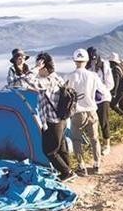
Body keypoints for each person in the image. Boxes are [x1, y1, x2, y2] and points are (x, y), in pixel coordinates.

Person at [65, 48, 109, 176]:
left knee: (76, 140)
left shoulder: (70, 76)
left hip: (77, 112)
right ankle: (97, 165)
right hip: (91, 111)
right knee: (94, 139)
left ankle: (81, 166)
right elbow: (104, 91)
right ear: (87, 60)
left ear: (74, 60)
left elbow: (63, 92)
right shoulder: (93, 76)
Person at [34, 52, 76, 182]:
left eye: (40, 69)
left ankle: (66, 172)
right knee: (61, 148)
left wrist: (35, 68)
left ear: (45, 69)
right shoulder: (58, 78)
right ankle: (68, 171)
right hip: (62, 120)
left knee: (50, 150)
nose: (38, 72)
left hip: (53, 122)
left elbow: (28, 81)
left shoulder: (48, 82)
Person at [86, 47, 114, 156]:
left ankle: (107, 144)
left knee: (104, 121)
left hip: (103, 98)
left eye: (94, 58)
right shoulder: (86, 67)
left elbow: (110, 84)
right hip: (91, 99)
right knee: (92, 122)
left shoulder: (104, 65)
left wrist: (99, 89)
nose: (93, 61)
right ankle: (95, 143)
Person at [109, 52, 123, 120]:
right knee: (122, 105)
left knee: (112, 104)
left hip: (121, 90)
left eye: (110, 62)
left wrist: (113, 92)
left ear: (112, 62)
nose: (110, 64)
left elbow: (116, 81)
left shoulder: (115, 69)